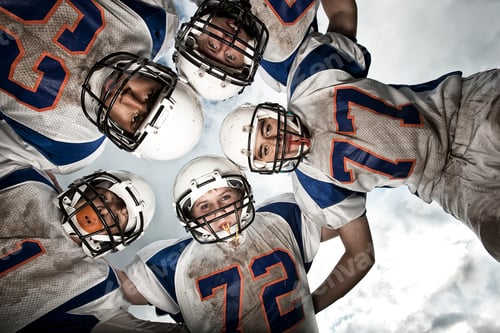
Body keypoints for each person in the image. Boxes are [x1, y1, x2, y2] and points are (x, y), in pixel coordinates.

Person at [218, 25, 500, 262]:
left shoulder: (309, 75)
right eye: (264, 150)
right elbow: (361, 254)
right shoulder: (312, 189)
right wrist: (309, 307)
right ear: (264, 165)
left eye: (266, 128)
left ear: (270, 112)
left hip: (460, 108)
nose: (276, 141)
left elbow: (342, 14)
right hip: (445, 183)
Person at [122, 155, 374, 332]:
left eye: (225, 197)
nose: (219, 210)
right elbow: (103, 296)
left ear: (243, 194)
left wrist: (313, 303)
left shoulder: (280, 218)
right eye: (205, 206)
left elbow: (360, 250)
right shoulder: (171, 262)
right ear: (189, 217)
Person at [0, 0, 204, 180]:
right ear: (162, 78)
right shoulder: (150, 21)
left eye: (135, 118)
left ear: (123, 135)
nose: (128, 98)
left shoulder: (72, 147)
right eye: (149, 95)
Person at [0, 166, 188, 332]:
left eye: (118, 217)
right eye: (105, 198)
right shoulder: (30, 183)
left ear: (119, 237)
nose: (105, 212)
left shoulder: (99, 284)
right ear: (86, 189)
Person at [173, 0, 370, 100]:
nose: (226, 42)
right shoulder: (285, 65)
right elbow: (341, 14)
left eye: (212, 45)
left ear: (197, 32)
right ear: (247, 63)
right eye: (231, 57)